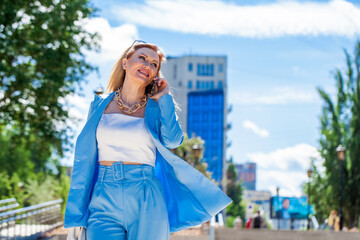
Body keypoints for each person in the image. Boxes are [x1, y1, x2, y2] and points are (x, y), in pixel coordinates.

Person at [64, 40, 232, 240]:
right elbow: (87, 158)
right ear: (125, 63)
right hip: (103, 195)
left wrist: (164, 99)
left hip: (146, 194)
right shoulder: (99, 105)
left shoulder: (156, 108)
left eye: (154, 64)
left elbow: (173, 141)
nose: (148, 65)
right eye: (142, 58)